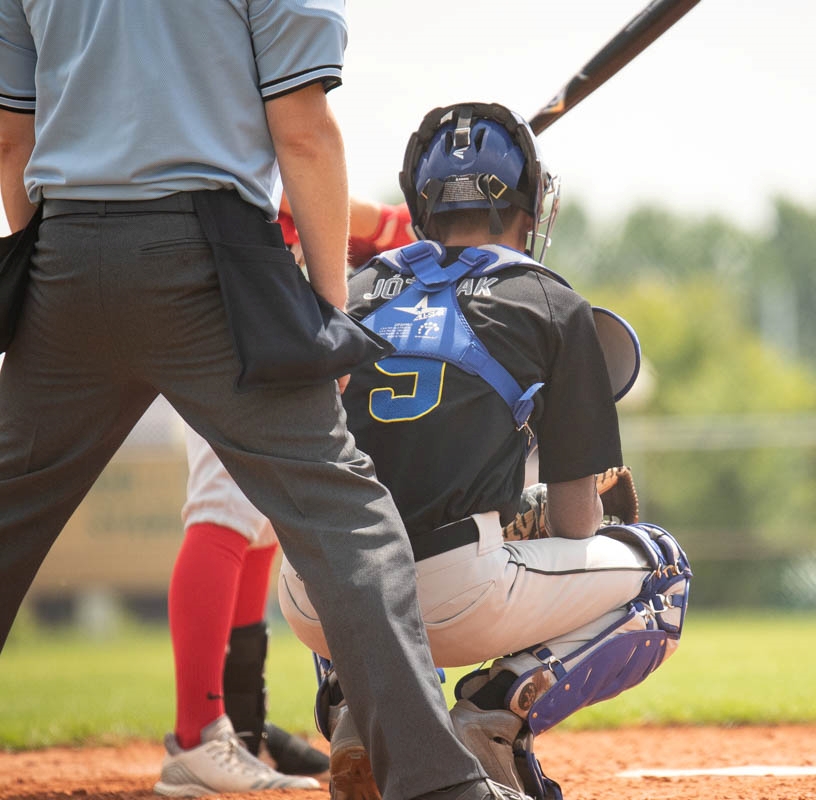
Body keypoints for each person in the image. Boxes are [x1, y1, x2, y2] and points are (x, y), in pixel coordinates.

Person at [0, 5, 525, 800]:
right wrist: (326, 315)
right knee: (344, 515)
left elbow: (13, 142)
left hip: (64, 252)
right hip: (209, 261)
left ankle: (225, 724)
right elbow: (304, 134)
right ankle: (437, 785)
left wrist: (70, 265)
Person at [276, 101, 692, 800]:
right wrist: (527, 510)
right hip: (453, 597)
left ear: (422, 201)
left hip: (311, 596)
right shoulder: (551, 302)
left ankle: (358, 708)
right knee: (665, 573)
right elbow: (576, 525)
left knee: (343, 526)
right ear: (531, 206)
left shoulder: (349, 288)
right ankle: (490, 720)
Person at [165, 197, 414, 786]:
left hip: (231, 279)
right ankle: (197, 736)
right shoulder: (241, 105)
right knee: (223, 510)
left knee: (253, 518)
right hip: (225, 285)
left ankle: (241, 732)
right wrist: (380, 222)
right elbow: (290, 171)